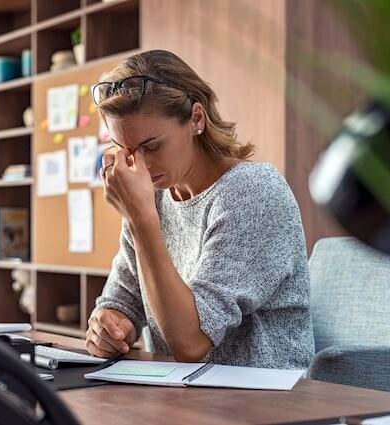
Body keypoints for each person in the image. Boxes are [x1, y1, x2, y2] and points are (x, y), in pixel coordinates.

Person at [86, 49, 314, 368]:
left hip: (265, 403)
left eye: (151, 146)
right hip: (183, 398)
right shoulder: (153, 198)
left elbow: (191, 342)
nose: (139, 164)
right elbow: (121, 301)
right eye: (126, 150)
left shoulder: (252, 191)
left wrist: (140, 219)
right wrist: (109, 327)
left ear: (196, 118)